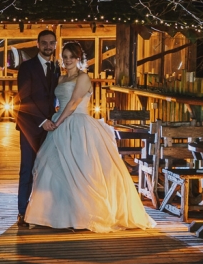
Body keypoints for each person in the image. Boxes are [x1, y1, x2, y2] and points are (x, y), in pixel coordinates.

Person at [24, 42, 156, 232]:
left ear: (79, 59)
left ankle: (83, 215)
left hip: (78, 124)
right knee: (53, 167)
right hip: (59, 121)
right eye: (65, 56)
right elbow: (58, 101)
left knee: (82, 168)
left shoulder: (83, 77)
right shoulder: (60, 78)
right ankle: (52, 215)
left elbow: (73, 102)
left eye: (72, 57)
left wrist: (57, 123)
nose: (68, 60)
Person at [15, 29, 60, 226]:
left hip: (51, 127)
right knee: (27, 168)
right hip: (30, 126)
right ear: (37, 44)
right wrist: (43, 120)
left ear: (55, 45)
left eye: (51, 43)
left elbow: (53, 96)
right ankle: (23, 213)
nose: (48, 46)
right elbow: (25, 98)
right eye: (44, 43)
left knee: (47, 170)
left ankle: (43, 212)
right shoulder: (27, 67)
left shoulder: (56, 67)